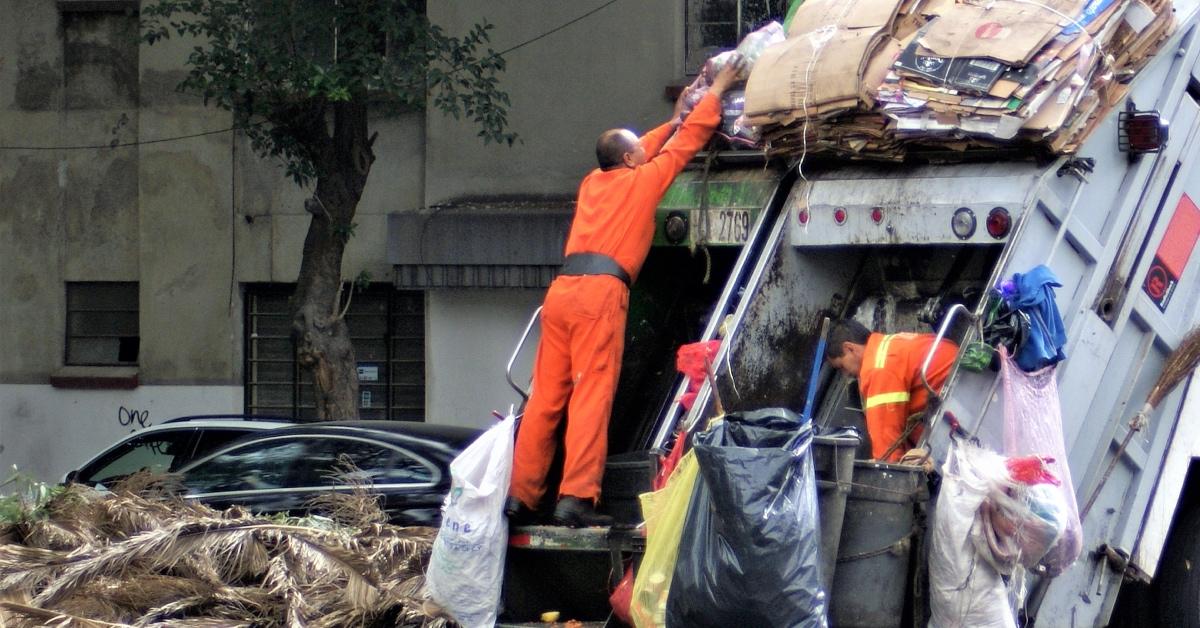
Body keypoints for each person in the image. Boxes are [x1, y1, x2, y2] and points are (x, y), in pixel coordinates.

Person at [506, 58, 746, 528]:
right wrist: (718, 89)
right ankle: (576, 499)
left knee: (545, 400)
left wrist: (672, 119)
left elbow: (653, 144)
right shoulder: (644, 181)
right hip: (600, 296)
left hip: (560, 294)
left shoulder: (594, 182)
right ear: (633, 159)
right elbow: (690, 142)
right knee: (590, 396)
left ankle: (521, 496)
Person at [825, 318, 958, 463]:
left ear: (849, 348)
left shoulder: (877, 369)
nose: (845, 375)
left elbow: (886, 448)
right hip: (963, 384)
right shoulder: (890, 344)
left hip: (957, 409)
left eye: (842, 367)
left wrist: (885, 471)